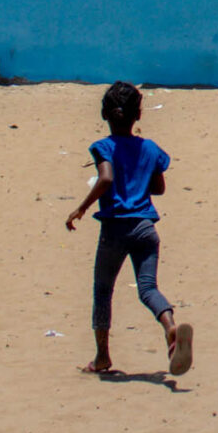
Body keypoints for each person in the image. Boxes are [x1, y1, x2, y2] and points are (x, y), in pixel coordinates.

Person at [64, 81, 194, 376]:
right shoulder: (150, 148)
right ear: (139, 115)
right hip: (146, 228)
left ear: (104, 114)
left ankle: (102, 357)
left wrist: (81, 208)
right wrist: (140, 176)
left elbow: (106, 178)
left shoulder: (104, 147)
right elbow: (158, 188)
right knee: (148, 288)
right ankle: (171, 328)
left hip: (116, 229)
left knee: (103, 291)